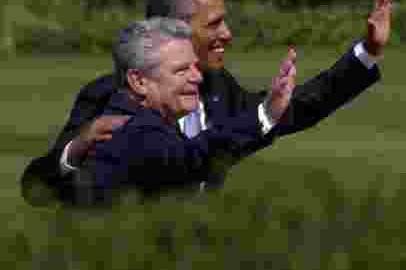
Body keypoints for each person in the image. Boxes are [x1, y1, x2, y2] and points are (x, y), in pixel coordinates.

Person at [20, 0, 401, 206]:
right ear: (172, 29)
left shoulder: (218, 88)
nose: (227, 35)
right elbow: (39, 189)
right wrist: (74, 149)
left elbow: (292, 109)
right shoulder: (111, 99)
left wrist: (366, 53)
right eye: (214, 24)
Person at [73, 17, 297, 206]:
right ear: (139, 80)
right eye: (181, 70)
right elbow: (191, 157)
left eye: (195, 67)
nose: (198, 77)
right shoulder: (130, 128)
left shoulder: (147, 120)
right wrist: (265, 114)